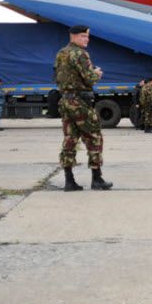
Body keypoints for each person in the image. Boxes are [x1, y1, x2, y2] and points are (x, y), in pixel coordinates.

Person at [54, 25, 112, 191]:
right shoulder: (80, 53)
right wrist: (97, 73)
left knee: (70, 139)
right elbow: (90, 78)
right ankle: (97, 178)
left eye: (87, 37)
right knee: (94, 137)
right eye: (82, 36)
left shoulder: (61, 53)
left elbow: (59, 77)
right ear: (73, 36)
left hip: (65, 101)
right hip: (80, 102)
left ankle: (69, 180)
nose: (86, 39)